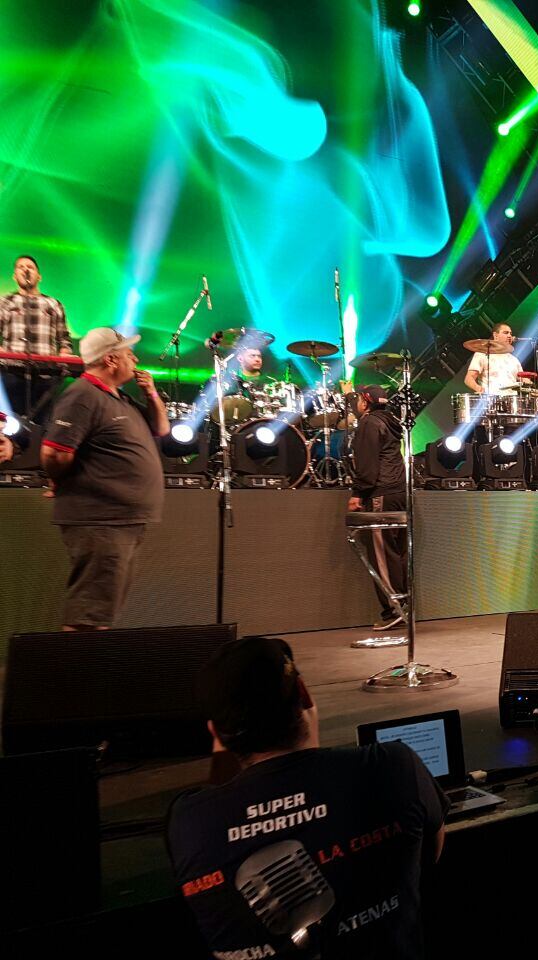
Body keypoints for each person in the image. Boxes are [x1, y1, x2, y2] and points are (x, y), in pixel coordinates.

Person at [167, 635, 448, 960]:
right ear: (303, 695)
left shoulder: (186, 822)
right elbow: (430, 855)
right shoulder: (392, 767)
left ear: (216, 734)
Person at [40, 328, 169, 630]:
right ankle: (78, 675)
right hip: (100, 520)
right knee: (90, 614)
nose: (135, 359)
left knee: (102, 609)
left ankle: (88, 672)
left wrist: (150, 393)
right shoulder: (83, 395)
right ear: (111, 359)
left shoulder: (117, 397)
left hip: (120, 520)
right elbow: (54, 454)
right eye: (128, 354)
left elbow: (161, 428)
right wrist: (60, 479)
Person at [347, 385, 407, 630]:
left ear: (366, 401)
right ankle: (404, 606)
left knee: (383, 555)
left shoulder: (369, 423)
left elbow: (367, 464)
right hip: (399, 492)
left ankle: (394, 610)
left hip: (382, 493)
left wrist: (358, 493)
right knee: (398, 554)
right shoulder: (391, 421)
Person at [0, 255, 74, 421]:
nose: (26, 269)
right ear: (14, 276)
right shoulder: (5, 302)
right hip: (12, 371)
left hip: (45, 373)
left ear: (39, 276)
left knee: (43, 422)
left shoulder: (53, 304)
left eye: (30, 267)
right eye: (21, 267)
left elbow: (64, 337)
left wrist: (64, 352)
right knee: (10, 422)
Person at [464, 322, 523, 394]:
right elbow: (469, 379)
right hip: (491, 400)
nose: (509, 336)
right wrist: (480, 389)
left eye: (510, 333)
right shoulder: (482, 354)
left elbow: (524, 380)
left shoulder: (514, 360)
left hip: (512, 401)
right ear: (495, 335)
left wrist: (536, 389)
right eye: (506, 333)